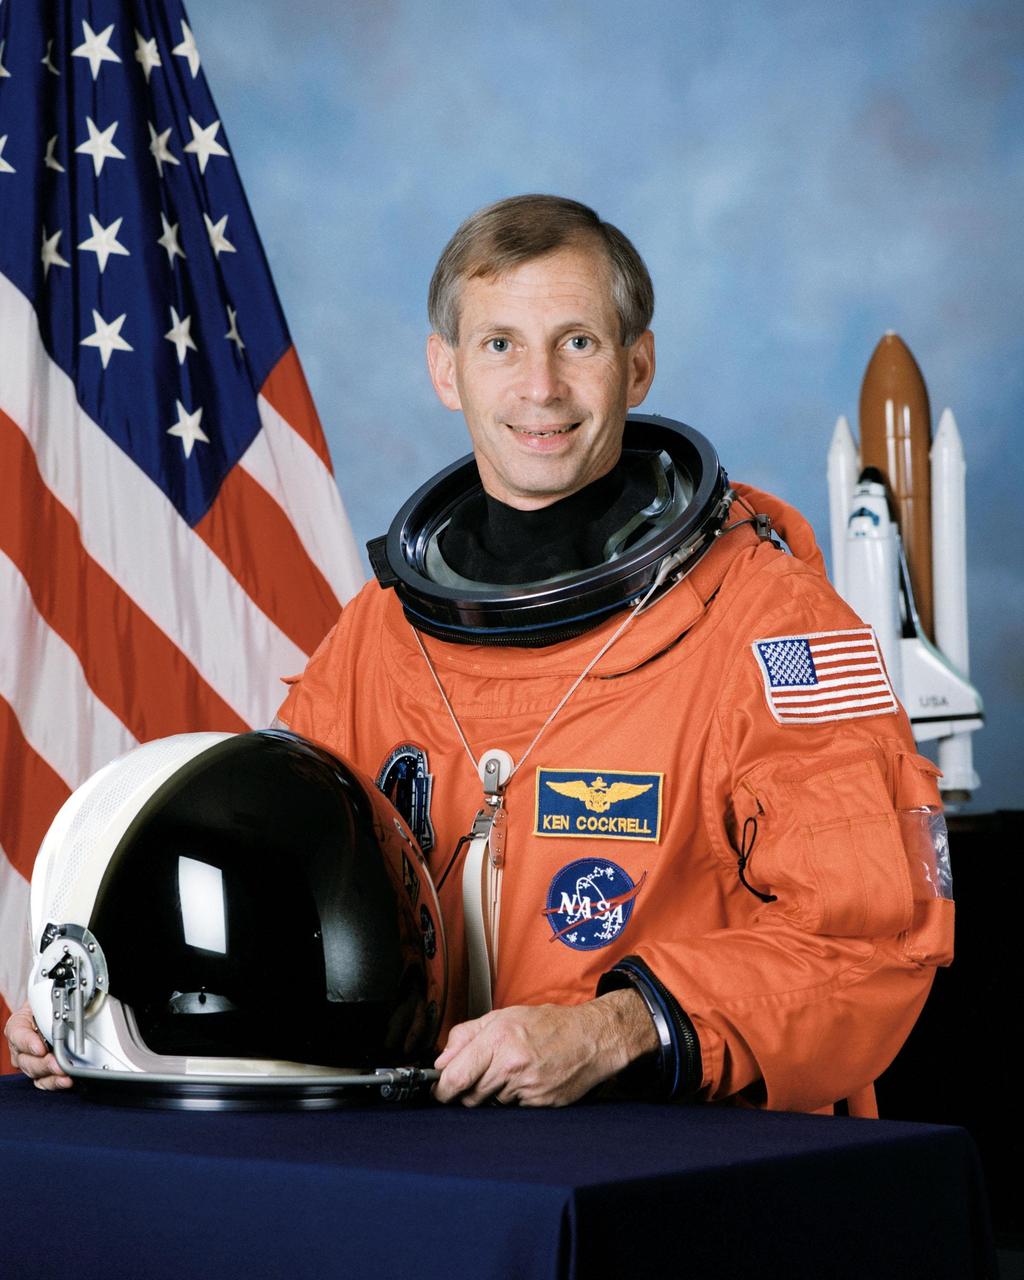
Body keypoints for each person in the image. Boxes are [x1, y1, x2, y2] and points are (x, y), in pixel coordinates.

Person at [6, 195, 952, 1109]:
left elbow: (868, 943)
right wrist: (115, 1015)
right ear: (447, 369)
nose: (540, 388)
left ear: (638, 365)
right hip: (428, 1168)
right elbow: (276, 894)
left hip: (680, 1165)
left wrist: (621, 1028)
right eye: (500, 345)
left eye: (577, 342)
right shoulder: (381, 634)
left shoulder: (774, 625)